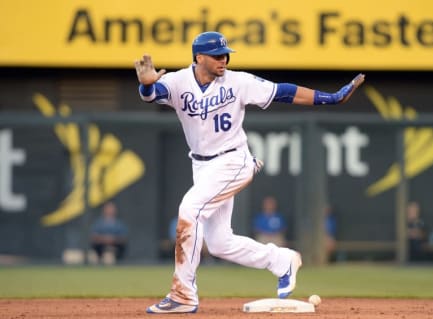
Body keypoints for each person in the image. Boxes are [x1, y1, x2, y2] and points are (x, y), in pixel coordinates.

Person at [134, 31, 365, 314]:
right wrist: (146, 86)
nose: (224, 59)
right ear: (199, 57)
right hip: (202, 166)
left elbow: (283, 91)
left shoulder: (238, 81)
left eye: (226, 54)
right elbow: (153, 94)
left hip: (233, 160)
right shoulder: (179, 81)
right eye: (218, 55)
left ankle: (182, 295)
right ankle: (281, 260)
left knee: (189, 210)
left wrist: (329, 98)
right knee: (219, 243)